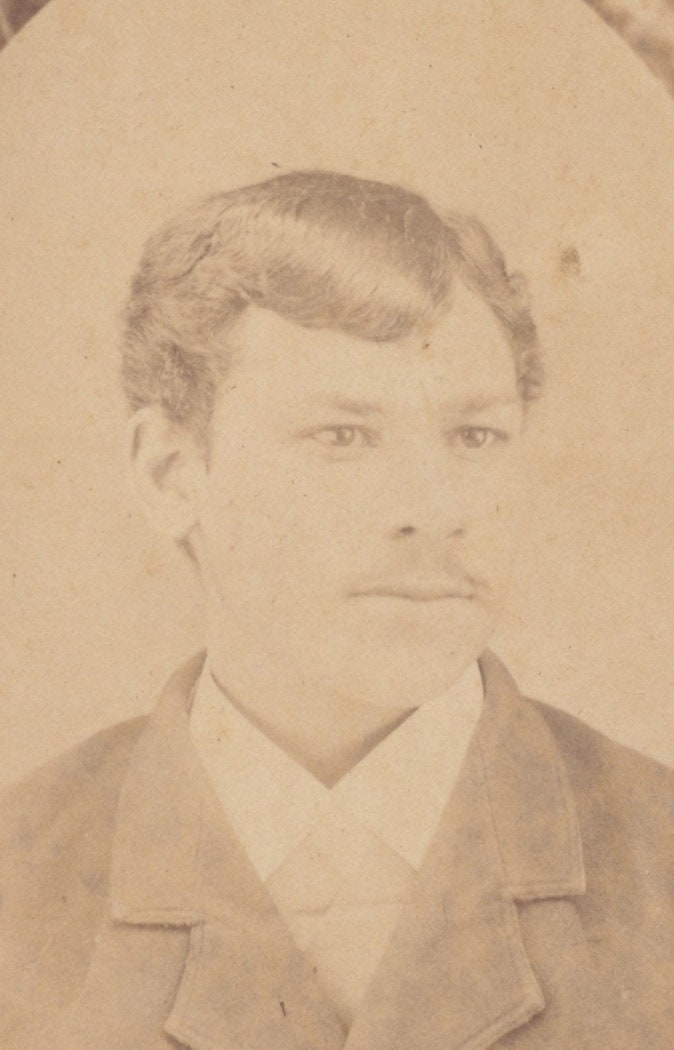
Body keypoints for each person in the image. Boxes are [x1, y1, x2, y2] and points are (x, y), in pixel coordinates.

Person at [0, 170, 672, 1049]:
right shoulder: (22, 875)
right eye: (342, 437)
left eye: (475, 435)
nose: (434, 506)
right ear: (171, 473)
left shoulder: (657, 853)